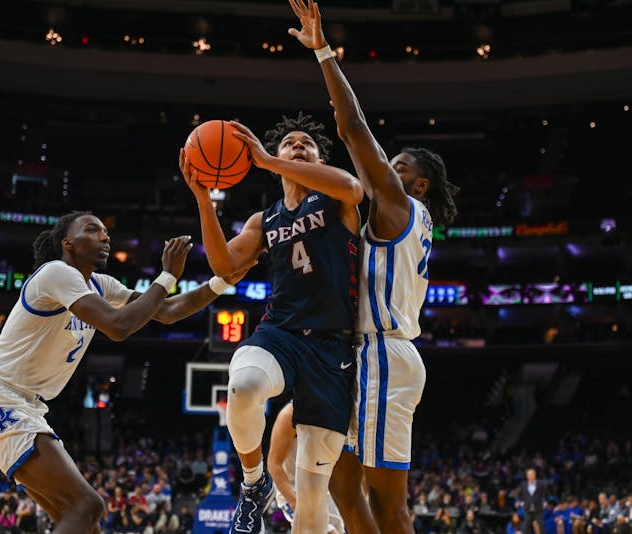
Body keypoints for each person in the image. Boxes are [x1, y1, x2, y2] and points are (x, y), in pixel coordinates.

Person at [0, 211, 248, 534]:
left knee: (86, 521)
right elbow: (119, 327)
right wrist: (167, 275)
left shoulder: (99, 284)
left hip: (29, 407)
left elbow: (166, 311)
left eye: (105, 231)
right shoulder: (56, 273)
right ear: (68, 243)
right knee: (88, 506)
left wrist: (224, 280)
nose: (105, 236)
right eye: (92, 230)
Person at [286, 2, 460, 533]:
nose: (388, 168)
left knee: (389, 506)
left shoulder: (400, 205)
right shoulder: (392, 216)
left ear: (418, 184)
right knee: (341, 485)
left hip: (384, 354)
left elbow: (351, 125)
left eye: (398, 166)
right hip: (362, 356)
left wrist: (322, 52)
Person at [179, 111, 363, 534]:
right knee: (242, 388)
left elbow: (354, 188)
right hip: (280, 331)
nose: (299, 146)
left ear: (317, 158)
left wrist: (269, 160)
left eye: (307, 144)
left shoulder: (334, 196)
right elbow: (224, 265)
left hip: (332, 345)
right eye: (289, 143)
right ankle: (253, 481)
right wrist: (204, 198)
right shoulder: (265, 221)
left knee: (313, 490)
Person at [267, 401, 345, 534]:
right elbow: (274, 465)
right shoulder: (289, 415)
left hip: (322, 489)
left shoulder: (333, 408)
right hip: (294, 490)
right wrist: (294, 501)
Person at [519, 468, 548, 534]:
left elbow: (545, 494)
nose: (531, 476)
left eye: (532, 474)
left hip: (538, 507)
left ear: (535, 475)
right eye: (529, 475)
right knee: (526, 526)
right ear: (527, 476)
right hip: (528, 508)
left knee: (541, 525)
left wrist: (545, 502)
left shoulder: (540, 484)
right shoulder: (523, 484)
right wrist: (521, 502)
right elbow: (520, 494)